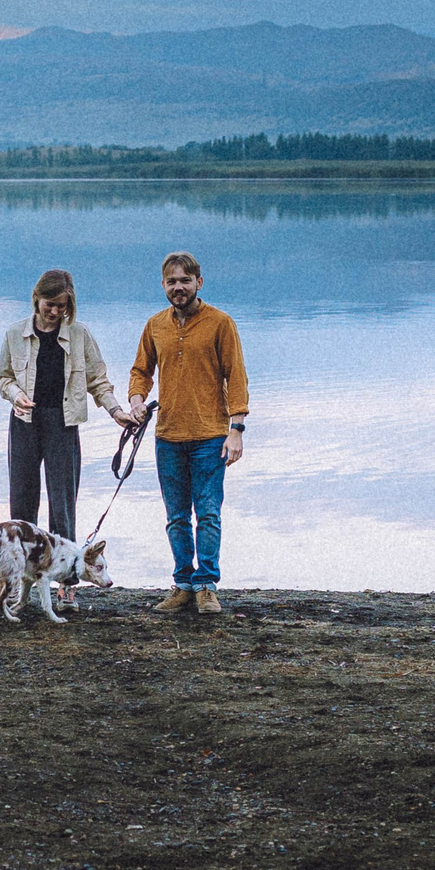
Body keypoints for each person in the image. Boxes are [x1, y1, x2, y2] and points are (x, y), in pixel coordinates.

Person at [126, 251, 247, 615]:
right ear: (163, 285)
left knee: (207, 513)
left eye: (185, 281)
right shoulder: (155, 325)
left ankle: (206, 586)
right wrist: (136, 401)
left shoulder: (220, 323)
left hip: (210, 435)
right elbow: (141, 370)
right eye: (172, 282)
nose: (178, 287)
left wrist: (236, 429)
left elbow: (236, 377)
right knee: (176, 517)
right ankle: (182, 585)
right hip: (168, 436)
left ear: (199, 283)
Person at [0, 269, 135, 549]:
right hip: (24, 422)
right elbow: (4, 377)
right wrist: (16, 395)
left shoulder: (79, 334)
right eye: (50, 304)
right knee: (22, 500)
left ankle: (65, 570)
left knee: (63, 503)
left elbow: (98, 380)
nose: (55, 312)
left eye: (62, 306)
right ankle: (23, 565)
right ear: (36, 298)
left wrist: (116, 411)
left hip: (63, 424)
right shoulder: (14, 333)